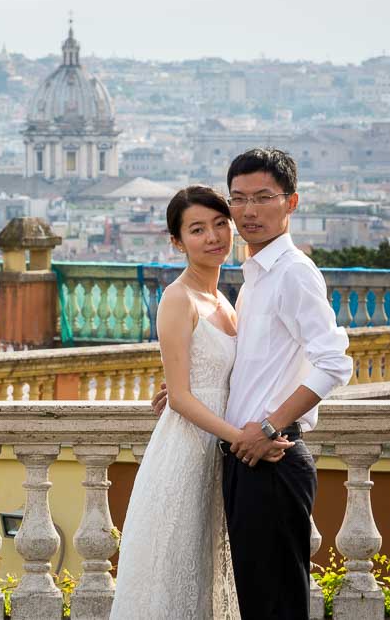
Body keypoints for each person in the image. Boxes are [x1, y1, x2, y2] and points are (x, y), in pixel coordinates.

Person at [151, 148, 353, 619]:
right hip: (248, 456)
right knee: (260, 603)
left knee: (275, 605)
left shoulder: (293, 273)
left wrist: (267, 427)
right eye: (238, 199)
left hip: (272, 455)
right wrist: (187, 390)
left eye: (263, 197)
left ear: (291, 202)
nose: (248, 211)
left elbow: (334, 363)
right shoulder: (253, 276)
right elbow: (254, 365)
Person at [111, 185, 287, 619]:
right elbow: (185, 401)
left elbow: (216, 378)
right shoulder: (177, 298)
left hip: (218, 455)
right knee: (174, 576)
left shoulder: (225, 300)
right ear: (177, 241)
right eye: (197, 230)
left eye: (219, 224)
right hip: (187, 455)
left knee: (208, 576)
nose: (212, 237)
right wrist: (244, 440)